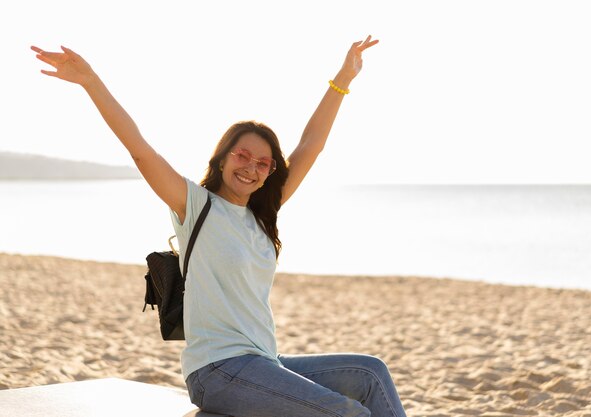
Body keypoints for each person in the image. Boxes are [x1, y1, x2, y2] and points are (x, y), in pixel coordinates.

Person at [32, 36, 407, 417]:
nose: (251, 167)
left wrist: (342, 78)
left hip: (264, 361)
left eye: (263, 163)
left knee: (370, 372)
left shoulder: (263, 216)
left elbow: (310, 145)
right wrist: (92, 82)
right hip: (218, 370)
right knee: (350, 414)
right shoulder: (196, 205)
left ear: (269, 172)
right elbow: (141, 150)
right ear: (224, 156)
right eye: (242, 155)